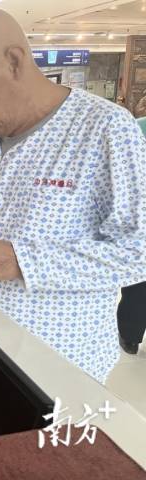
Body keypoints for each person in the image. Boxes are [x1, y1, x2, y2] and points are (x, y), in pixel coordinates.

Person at [0, 9, 146, 384]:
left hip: (61, 362)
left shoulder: (104, 129)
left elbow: (138, 251)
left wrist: (22, 261)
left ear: (14, 61)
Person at [117, 116, 146, 354]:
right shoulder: (134, 126)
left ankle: (130, 336)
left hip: (137, 215)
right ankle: (129, 334)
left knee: (138, 282)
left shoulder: (134, 126)